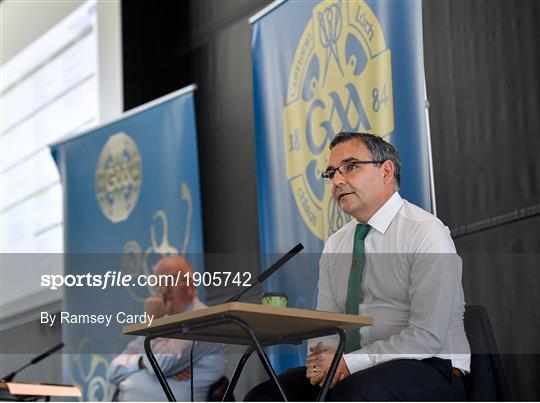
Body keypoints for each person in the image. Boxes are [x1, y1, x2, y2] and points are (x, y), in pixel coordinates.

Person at [245, 132, 470, 401]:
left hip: (430, 366)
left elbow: (427, 336)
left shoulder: (425, 232)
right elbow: (325, 325)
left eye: (350, 167)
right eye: (331, 174)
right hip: (354, 367)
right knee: (265, 395)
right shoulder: (336, 244)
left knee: (353, 394)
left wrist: (350, 364)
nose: (337, 180)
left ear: (386, 171)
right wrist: (320, 364)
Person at [108, 256, 226, 401]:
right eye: (158, 282)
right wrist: (142, 362)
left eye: (171, 280)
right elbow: (113, 370)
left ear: (192, 283)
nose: (164, 289)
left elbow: (161, 364)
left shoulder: (203, 320)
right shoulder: (161, 319)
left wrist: (153, 323)